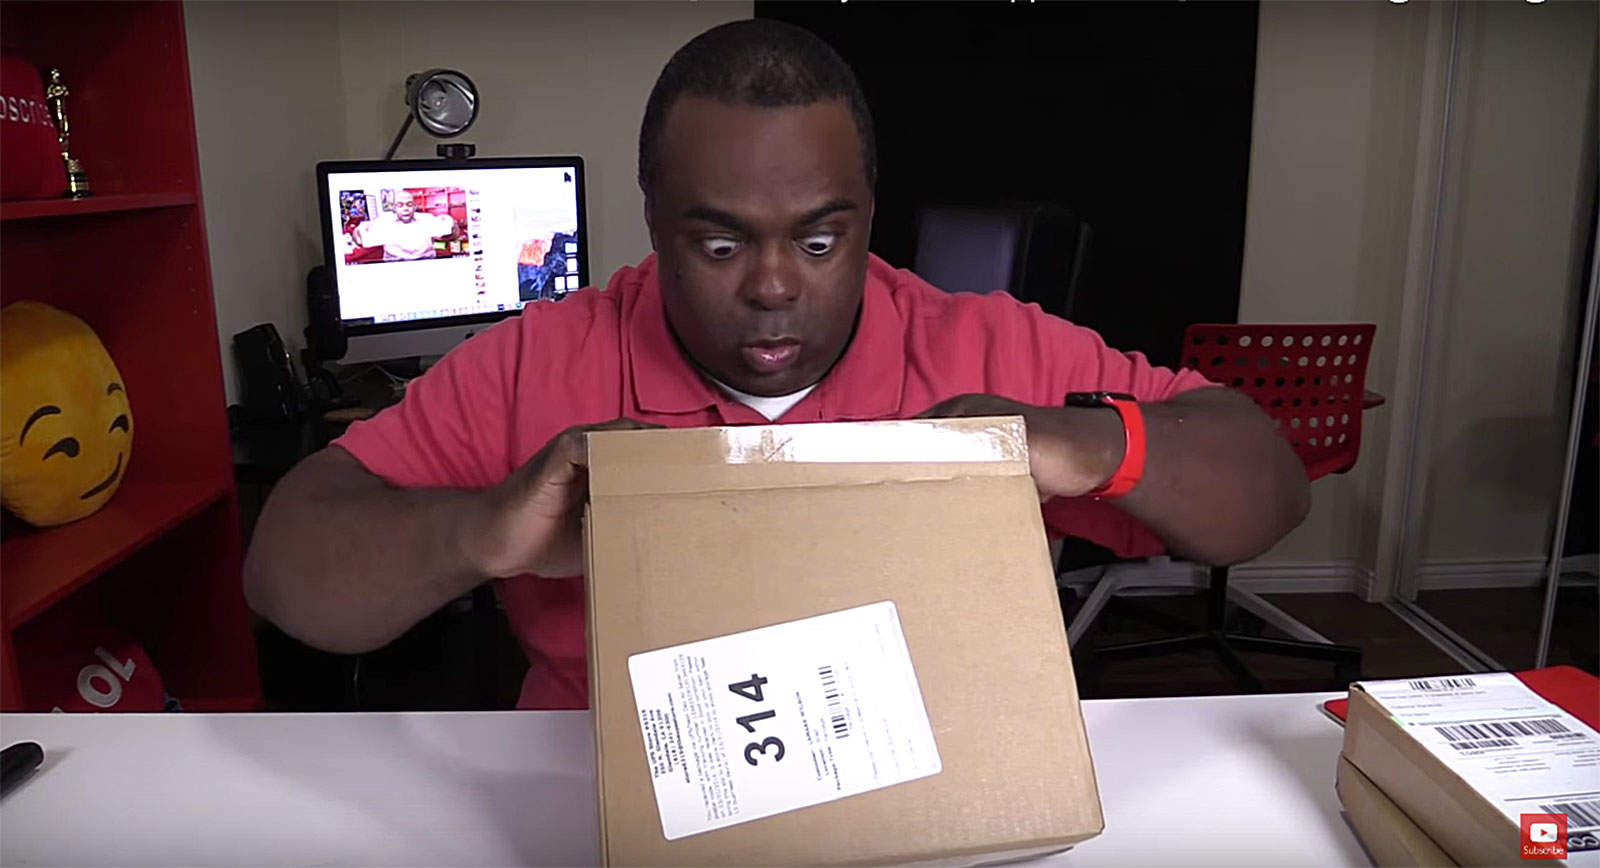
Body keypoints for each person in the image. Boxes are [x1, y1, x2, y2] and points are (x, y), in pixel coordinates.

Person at [245, 20, 1309, 709]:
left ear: (868, 218)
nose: (770, 286)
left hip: (924, 774)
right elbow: (285, 571)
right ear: (653, 220)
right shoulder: (538, 358)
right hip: (601, 788)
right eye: (718, 244)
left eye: (818, 239)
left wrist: (1082, 444)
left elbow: (1268, 485)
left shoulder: (986, 342)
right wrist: (483, 530)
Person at [349, 190, 456, 261]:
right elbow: (359, 239)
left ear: (414, 206)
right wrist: (357, 234)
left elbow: (451, 236)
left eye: (409, 204)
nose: (405, 208)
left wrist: (452, 226)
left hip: (426, 263)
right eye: (400, 205)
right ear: (394, 208)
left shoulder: (427, 219)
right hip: (394, 267)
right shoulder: (383, 221)